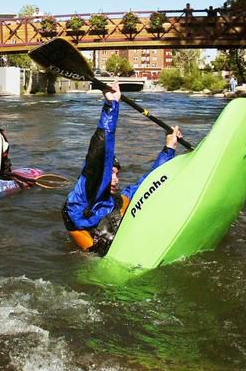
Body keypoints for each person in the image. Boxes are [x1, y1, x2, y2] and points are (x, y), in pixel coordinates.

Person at [62, 82, 181, 254]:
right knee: (101, 159)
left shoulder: (119, 199)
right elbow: (100, 152)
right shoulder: (81, 201)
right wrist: (111, 106)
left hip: (126, 251)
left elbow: (149, 184)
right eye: (111, 173)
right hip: (99, 264)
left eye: (117, 174)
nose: (115, 179)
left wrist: (169, 148)